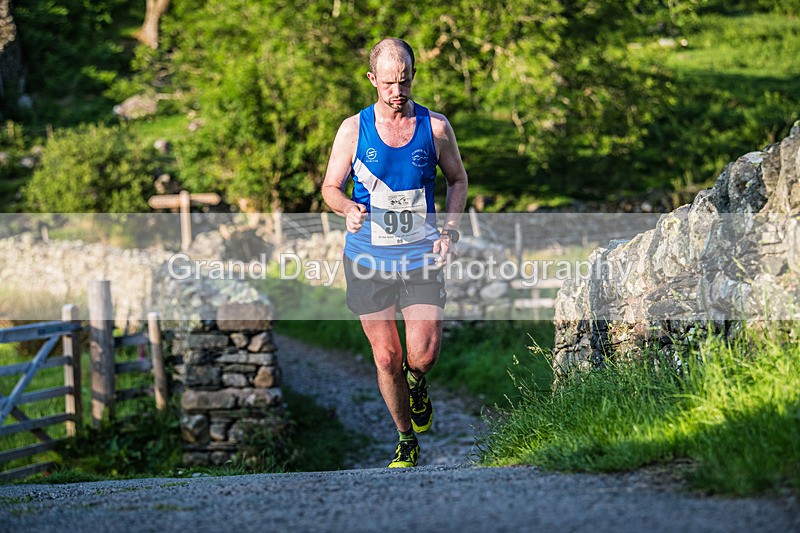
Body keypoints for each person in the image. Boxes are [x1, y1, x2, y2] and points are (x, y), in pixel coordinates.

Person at [322, 37, 468, 468]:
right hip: (368, 257)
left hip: (421, 255)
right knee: (387, 356)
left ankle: (417, 382)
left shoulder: (436, 127)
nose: (396, 91)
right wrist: (348, 207)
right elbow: (330, 187)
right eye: (388, 83)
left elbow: (458, 180)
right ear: (372, 80)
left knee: (422, 354)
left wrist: (450, 233)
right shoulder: (353, 129)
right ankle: (406, 438)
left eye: (403, 81)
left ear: (413, 76)